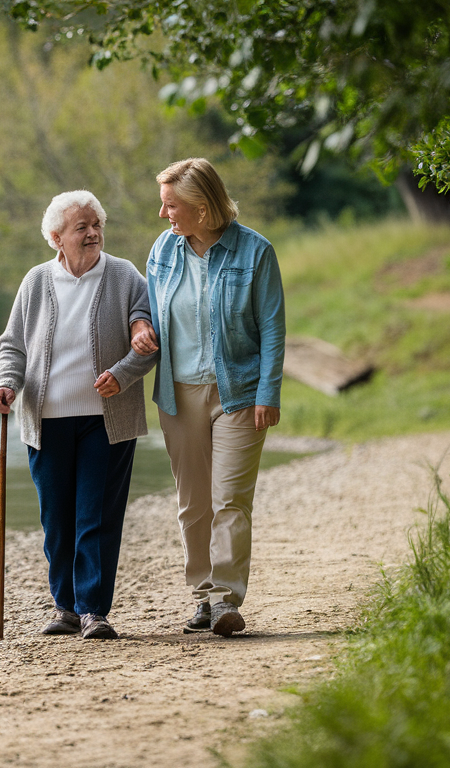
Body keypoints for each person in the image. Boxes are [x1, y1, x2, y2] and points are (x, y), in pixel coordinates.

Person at [0, 190, 158, 640]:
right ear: (55, 237)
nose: (92, 233)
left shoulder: (125, 276)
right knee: (57, 519)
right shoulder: (36, 281)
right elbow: (13, 345)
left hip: (107, 419)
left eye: (96, 224)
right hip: (45, 421)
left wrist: (122, 375)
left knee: (97, 514)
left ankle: (93, 610)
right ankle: (64, 607)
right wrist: (5, 382)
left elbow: (148, 340)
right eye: (80, 227)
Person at [131, 158, 285, 637]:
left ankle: (224, 602)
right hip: (177, 393)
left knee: (230, 500)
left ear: (201, 206)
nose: (164, 215)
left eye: (171, 205)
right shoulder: (164, 249)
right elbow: (148, 306)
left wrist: (268, 391)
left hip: (238, 392)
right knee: (193, 502)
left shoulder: (255, 252)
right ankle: (201, 596)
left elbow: (274, 327)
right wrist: (140, 326)